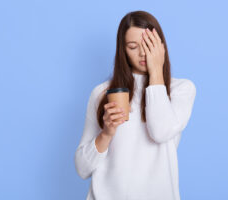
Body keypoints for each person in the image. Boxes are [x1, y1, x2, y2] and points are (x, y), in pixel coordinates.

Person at [74, 10, 196, 200]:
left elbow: (160, 131)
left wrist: (156, 72)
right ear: (123, 50)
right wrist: (106, 133)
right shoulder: (102, 93)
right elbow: (82, 169)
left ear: (160, 46)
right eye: (132, 46)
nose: (142, 53)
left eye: (148, 45)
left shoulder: (181, 90)